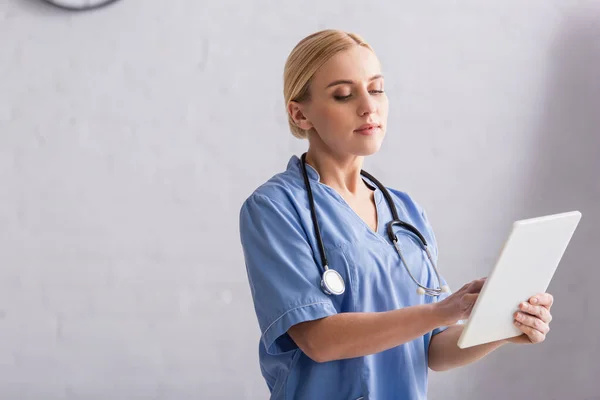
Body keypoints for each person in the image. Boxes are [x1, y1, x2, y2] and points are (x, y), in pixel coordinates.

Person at [238, 29, 554, 400]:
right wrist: (442, 311)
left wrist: (501, 326)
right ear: (299, 113)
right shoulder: (275, 208)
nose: (368, 106)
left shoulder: (404, 212)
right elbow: (319, 340)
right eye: (343, 94)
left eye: (376, 89)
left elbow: (433, 348)